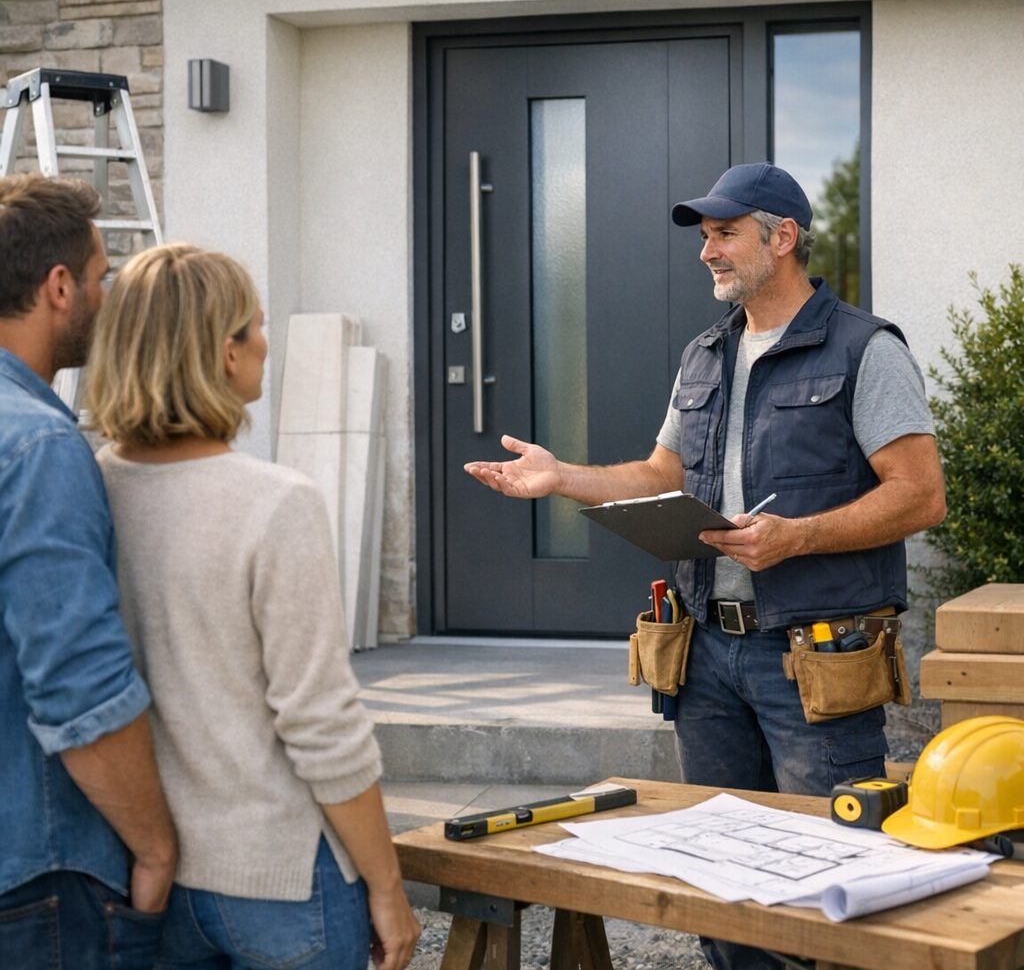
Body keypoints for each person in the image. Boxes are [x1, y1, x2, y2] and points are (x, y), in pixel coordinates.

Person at [465, 162, 946, 970]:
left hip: (815, 657)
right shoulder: (705, 354)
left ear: (782, 238)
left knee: (829, 874)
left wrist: (798, 537)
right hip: (706, 659)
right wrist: (563, 476)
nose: (707, 252)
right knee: (719, 879)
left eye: (724, 234)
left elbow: (920, 496)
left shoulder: (868, 349)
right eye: (704, 237)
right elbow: (663, 478)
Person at [83, 243, 421, 970]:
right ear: (224, 354)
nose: (267, 342)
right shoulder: (276, 503)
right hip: (281, 879)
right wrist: (387, 884)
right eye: (256, 325)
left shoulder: (89, 490)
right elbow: (321, 722)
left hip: (151, 873)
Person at [0, 173, 178, 968]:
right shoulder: (39, 446)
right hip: (40, 873)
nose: (109, 297)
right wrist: (156, 846)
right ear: (60, 286)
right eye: (104, 277)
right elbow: (79, 684)